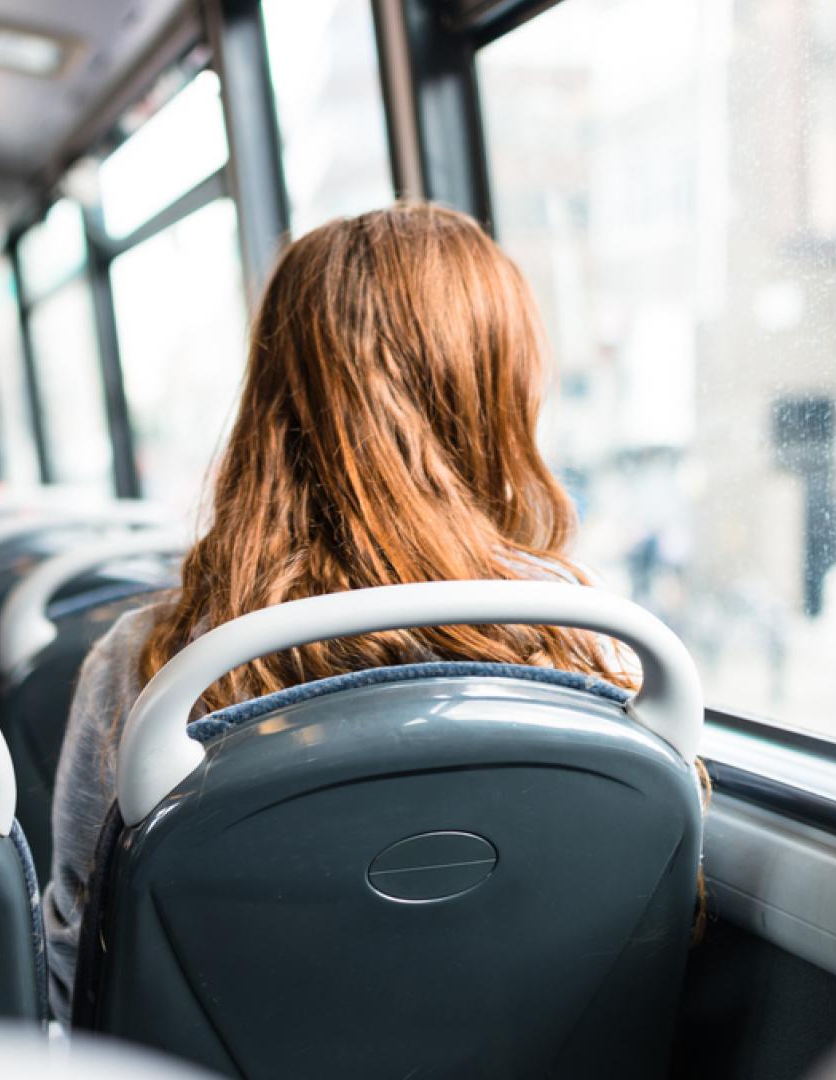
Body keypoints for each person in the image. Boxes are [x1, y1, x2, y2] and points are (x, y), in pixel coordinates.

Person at [42, 204, 641, 1019]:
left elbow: (83, 973)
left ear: (270, 400)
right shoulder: (585, 641)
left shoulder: (152, 671)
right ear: (496, 387)